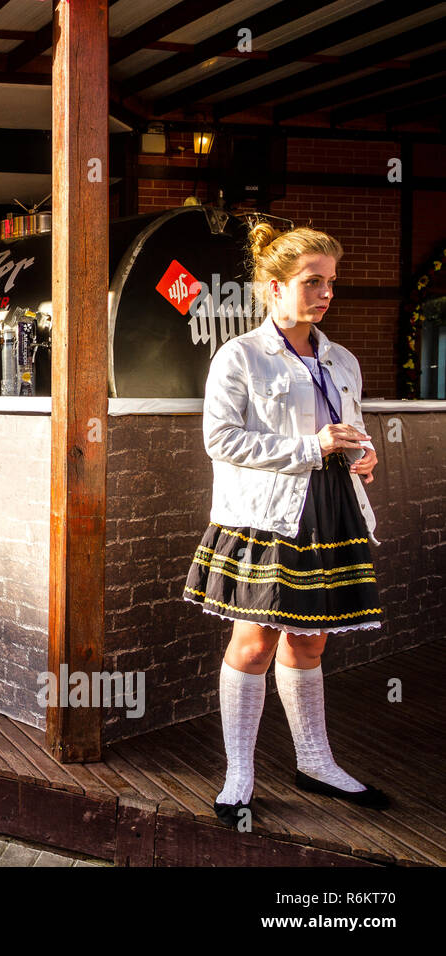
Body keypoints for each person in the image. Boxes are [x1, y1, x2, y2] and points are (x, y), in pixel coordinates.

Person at [183, 222, 388, 829]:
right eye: (312, 281)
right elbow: (219, 440)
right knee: (253, 644)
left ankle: (315, 762)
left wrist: (363, 453)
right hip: (267, 515)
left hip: (332, 510)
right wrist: (311, 445)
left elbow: (345, 428)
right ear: (273, 287)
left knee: (311, 639)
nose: (326, 293)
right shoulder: (240, 355)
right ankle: (239, 774)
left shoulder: (340, 358)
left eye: (331, 282)